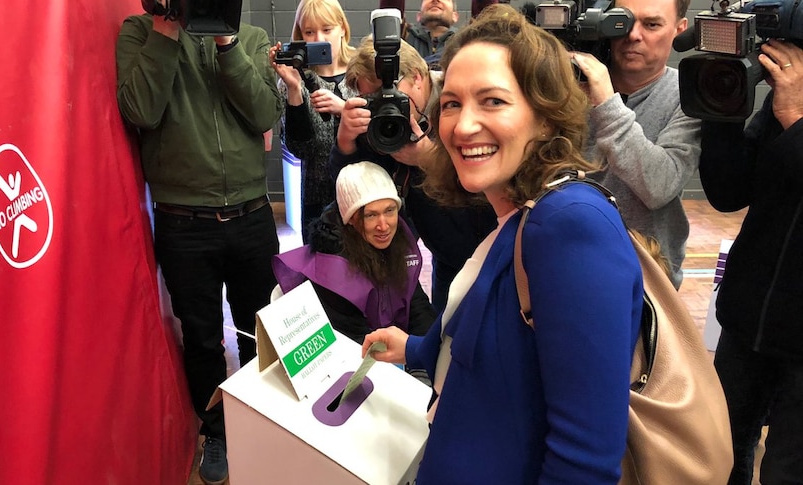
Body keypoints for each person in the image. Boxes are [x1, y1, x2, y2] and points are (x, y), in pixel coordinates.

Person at [362, 5, 643, 483]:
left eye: (492, 101)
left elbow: (585, 462)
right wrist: (415, 349)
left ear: (544, 114)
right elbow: (503, 355)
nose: (463, 125)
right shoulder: (519, 214)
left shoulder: (571, 226)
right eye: (451, 103)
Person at [115, 5, 282, 484]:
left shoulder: (248, 36)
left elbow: (264, 112)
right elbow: (139, 110)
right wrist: (167, 31)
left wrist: (226, 43)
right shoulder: (141, 32)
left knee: (260, 327)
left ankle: (263, 419)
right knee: (203, 336)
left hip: (251, 214)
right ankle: (218, 431)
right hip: (184, 222)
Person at [699, 38, 803, 485]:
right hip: (747, 322)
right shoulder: (784, 102)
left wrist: (795, 120)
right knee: (721, 451)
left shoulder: (791, 108)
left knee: (786, 470)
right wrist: (723, 110)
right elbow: (728, 192)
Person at [332, 35, 497, 311]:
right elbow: (352, 191)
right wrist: (345, 143)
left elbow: (495, 187)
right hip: (442, 254)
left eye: (388, 94)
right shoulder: (376, 119)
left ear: (418, 77)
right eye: (371, 98)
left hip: (489, 253)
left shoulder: (461, 102)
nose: (382, 105)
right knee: (446, 338)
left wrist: (431, 159)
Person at [570, 0, 700, 289]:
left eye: (651, 24)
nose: (632, 35)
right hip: (564, 260)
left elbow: (659, 185)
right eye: (623, 21)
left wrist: (605, 103)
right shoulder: (568, 87)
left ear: (679, 29)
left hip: (645, 278)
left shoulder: (689, 96)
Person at [272, 161, 435, 344]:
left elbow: (416, 306)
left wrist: (422, 355)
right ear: (350, 218)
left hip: (394, 349)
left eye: (390, 210)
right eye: (370, 215)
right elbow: (353, 345)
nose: (384, 226)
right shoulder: (333, 272)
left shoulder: (397, 241)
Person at [269, 0, 357, 242]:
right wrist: (295, 90)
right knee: (324, 275)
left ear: (342, 29)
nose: (319, 38)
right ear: (300, 35)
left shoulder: (363, 73)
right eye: (309, 32)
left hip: (365, 196)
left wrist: (344, 109)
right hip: (318, 202)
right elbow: (300, 150)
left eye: (327, 29)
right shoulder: (291, 80)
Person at [404, 0, 460, 67]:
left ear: (455, 16)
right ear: (419, 16)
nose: (435, 0)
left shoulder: (464, 41)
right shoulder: (404, 36)